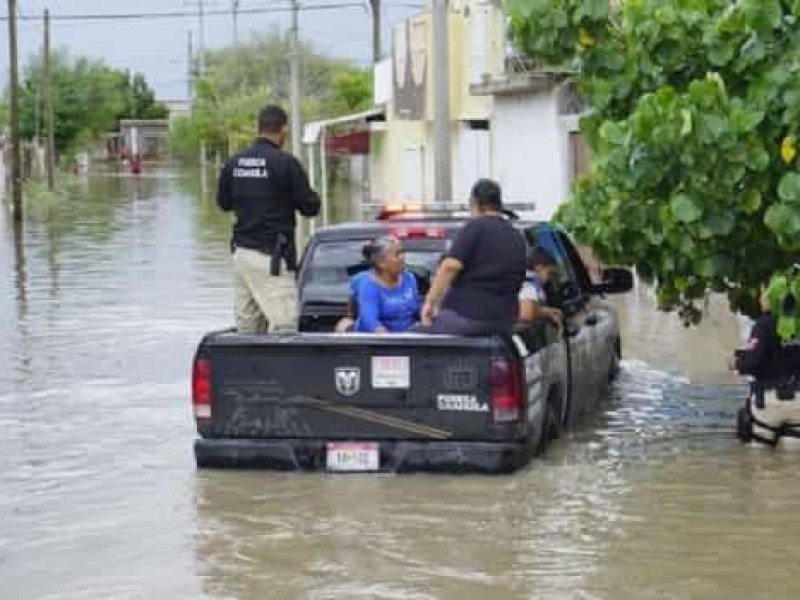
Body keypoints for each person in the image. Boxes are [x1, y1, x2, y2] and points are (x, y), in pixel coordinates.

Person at [217, 104, 321, 333]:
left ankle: (246, 369)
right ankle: (283, 370)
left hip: (242, 255)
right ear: (283, 129)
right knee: (284, 327)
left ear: (258, 128)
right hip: (271, 258)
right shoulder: (285, 164)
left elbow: (223, 204)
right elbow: (310, 207)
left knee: (248, 328)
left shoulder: (234, 163)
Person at [415, 178, 527, 336]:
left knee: (413, 336)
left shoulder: (475, 227)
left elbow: (450, 266)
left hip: (470, 317)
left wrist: (430, 302)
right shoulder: (516, 236)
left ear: (475, 202)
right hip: (505, 319)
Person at [732, 287, 800, 447]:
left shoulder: (765, 324)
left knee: (758, 460)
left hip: (769, 402)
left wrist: (735, 363)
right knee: (792, 461)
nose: (760, 299)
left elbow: (752, 363)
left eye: (763, 294)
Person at [353, 236, 420, 334]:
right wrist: (390, 342)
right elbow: (370, 321)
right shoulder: (368, 286)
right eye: (397, 254)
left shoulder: (409, 278)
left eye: (402, 252)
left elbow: (417, 310)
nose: (403, 257)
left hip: (410, 339)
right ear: (381, 263)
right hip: (380, 343)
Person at [519, 246, 563, 327]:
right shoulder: (529, 282)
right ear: (539, 267)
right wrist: (548, 313)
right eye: (549, 273)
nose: (549, 278)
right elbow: (526, 312)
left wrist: (549, 311)